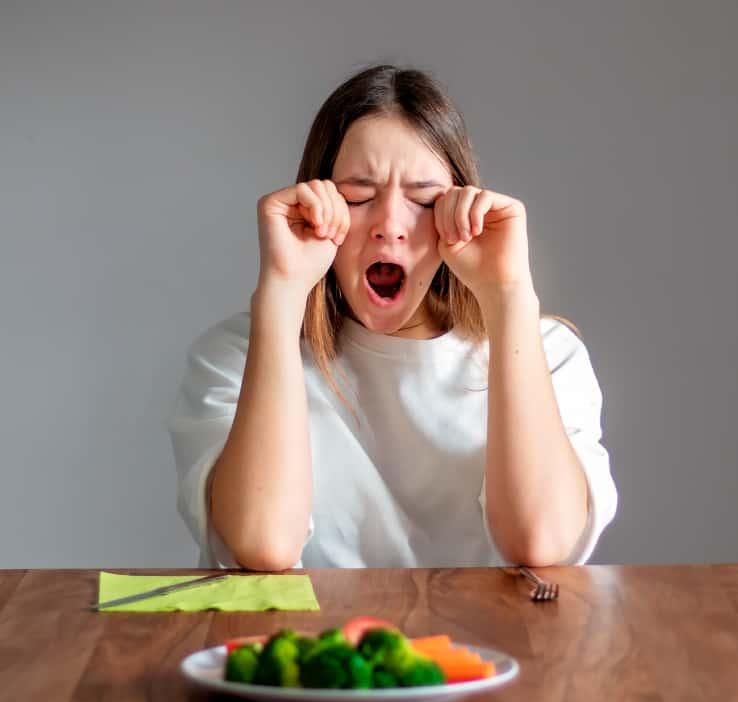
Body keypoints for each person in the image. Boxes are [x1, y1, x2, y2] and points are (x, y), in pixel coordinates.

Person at [166, 63, 619, 571]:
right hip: (312, 645)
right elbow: (262, 544)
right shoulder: (235, 355)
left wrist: (509, 295)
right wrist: (281, 294)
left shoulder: (549, 353)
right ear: (315, 202)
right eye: (358, 197)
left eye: (424, 200)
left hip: (492, 647)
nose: (389, 227)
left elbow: (541, 544)